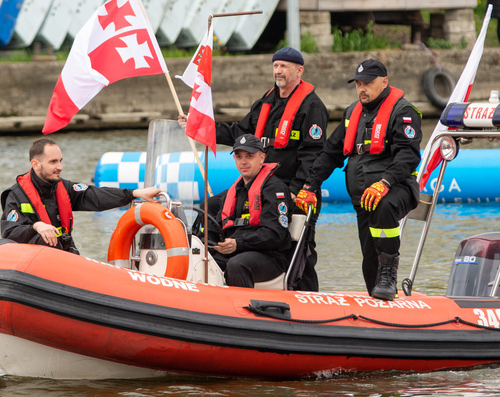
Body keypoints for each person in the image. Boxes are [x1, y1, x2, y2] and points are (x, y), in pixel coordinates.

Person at [181, 46, 328, 291]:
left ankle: (307, 297)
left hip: (295, 189)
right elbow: (240, 133)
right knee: (210, 207)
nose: (278, 71)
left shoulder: (311, 106)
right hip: (258, 185)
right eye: (275, 65)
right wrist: (200, 126)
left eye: (283, 66)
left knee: (300, 248)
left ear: (299, 70)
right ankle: (212, 259)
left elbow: (313, 154)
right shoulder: (267, 101)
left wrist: (295, 189)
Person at [295, 59, 422, 300]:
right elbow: (331, 152)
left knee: (384, 208)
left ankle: (389, 274)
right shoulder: (352, 112)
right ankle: (377, 302)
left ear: (384, 82)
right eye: (358, 84)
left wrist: (384, 183)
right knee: (368, 259)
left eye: (368, 83)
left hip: (397, 187)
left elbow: (408, 156)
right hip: (363, 196)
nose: (362, 88)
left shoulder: (403, 112)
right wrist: (310, 185)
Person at [1, 137, 161, 253]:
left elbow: (96, 195)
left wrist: (135, 193)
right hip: (33, 259)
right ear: (35, 164)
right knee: (45, 239)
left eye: (60, 161)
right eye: (53, 162)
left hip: (62, 253)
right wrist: (36, 226)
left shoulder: (64, 188)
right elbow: (9, 233)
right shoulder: (16, 195)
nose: (60, 167)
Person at [206, 134, 294, 288]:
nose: (244, 161)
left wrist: (238, 243)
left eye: (249, 156)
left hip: (269, 256)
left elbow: (275, 234)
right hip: (236, 251)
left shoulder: (275, 190)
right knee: (203, 261)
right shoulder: (232, 192)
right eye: (239, 156)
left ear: (261, 158)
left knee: (237, 265)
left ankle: (241, 309)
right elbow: (217, 226)